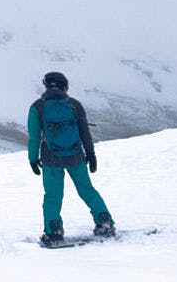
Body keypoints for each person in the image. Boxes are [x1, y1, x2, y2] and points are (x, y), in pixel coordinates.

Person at [28, 71, 114, 245]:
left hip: (51, 160)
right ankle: (104, 221)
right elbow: (84, 132)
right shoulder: (74, 105)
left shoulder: (37, 107)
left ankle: (54, 232)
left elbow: (34, 136)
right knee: (87, 191)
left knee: (53, 196)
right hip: (76, 157)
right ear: (64, 85)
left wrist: (33, 158)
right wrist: (91, 154)